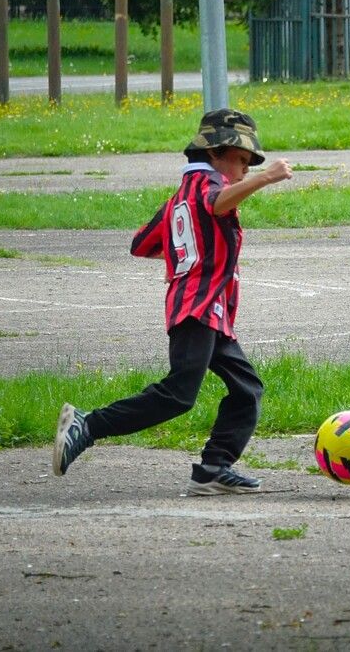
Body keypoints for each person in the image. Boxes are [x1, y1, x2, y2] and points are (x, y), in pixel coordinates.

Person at [52, 108, 293, 495]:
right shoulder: (204, 186)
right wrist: (268, 177)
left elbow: (141, 244)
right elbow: (217, 203)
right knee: (179, 395)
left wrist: (185, 251)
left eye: (252, 165)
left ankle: (214, 467)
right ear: (216, 152)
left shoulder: (177, 199)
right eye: (242, 160)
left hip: (211, 313)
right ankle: (87, 425)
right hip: (196, 310)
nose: (245, 170)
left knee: (247, 389)